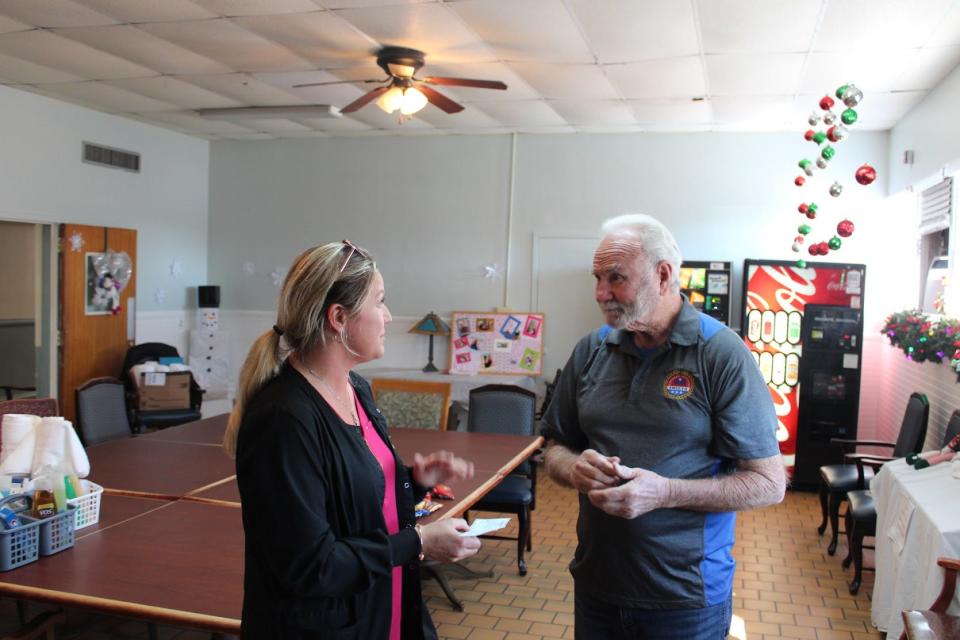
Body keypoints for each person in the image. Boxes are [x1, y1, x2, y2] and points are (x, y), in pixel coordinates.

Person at [541, 214, 786, 640]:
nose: (601, 293)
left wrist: (666, 492)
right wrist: (573, 468)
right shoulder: (592, 349)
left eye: (615, 278)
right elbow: (555, 446)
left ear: (663, 274)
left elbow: (769, 483)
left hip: (686, 597)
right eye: (597, 277)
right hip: (597, 585)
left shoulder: (721, 354)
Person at [223, 240, 481, 639]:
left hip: (381, 610)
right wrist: (418, 542)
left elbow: (352, 499)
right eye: (379, 302)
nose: (389, 316)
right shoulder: (284, 419)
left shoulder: (356, 388)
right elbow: (311, 566)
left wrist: (411, 480)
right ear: (339, 317)